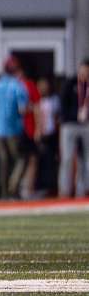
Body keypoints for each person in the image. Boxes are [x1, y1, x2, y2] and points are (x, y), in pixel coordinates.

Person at [0, 57, 30, 198]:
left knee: (3, 160)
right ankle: (13, 185)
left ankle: (4, 193)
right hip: (13, 128)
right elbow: (22, 109)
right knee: (20, 159)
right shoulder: (18, 86)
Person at [58, 59, 89, 197]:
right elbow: (62, 106)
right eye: (83, 70)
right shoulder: (70, 83)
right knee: (67, 158)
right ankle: (65, 190)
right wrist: (74, 115)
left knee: (86, 159)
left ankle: (82, 190)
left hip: (86, 125)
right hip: (70, 125)